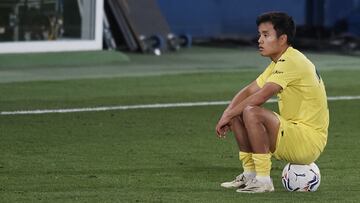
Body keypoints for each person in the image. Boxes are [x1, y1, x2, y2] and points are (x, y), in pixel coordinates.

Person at [215, 12, 329, 193]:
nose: (259, 40)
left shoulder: (292, 61)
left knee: (250, 111)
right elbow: (249, 91)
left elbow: (261, 96)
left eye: (266, 35)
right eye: (260, 34)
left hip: (308, 140)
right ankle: (250, 174)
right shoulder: (279, 62)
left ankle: (263, 180)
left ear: (282, 38)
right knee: (239, 111)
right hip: (293, 132)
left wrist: (229, 114)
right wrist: (228, 114)